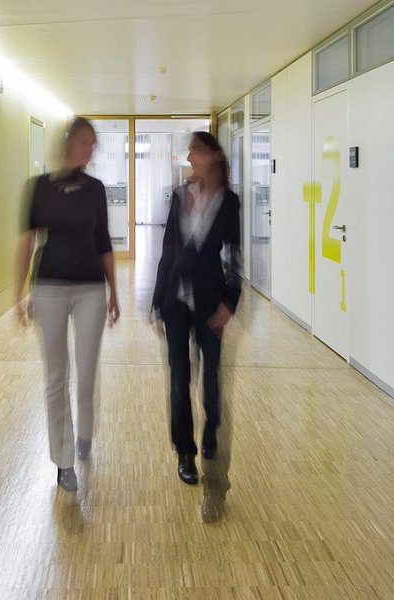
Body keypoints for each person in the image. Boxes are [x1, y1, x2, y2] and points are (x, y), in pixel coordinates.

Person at [14, 117, 120, 492]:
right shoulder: (39, 187)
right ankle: (63, 460)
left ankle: (85, 433)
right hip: (49, 288)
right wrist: (17, 294)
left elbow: (103, 241)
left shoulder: (95, 189)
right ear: (69, 143)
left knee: (86, 372)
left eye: (94, 143)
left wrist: (114, 292)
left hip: (90, 288)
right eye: (86, 142)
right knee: (56, 377)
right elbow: (27, 241)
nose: (91, 149)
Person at [152, 130, 242, 522]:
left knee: (211, 385)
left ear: (212, 155)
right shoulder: (179, 196)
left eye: (195, 150)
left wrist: (230, 303)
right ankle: (185, 453)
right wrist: (158, 301)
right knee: (178, 383)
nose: (189, 157)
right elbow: (168, 249)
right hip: (176, 303)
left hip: (211, 306)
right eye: (189, 151)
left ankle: (211, 442)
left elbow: (235, 257)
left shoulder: (229, 202)